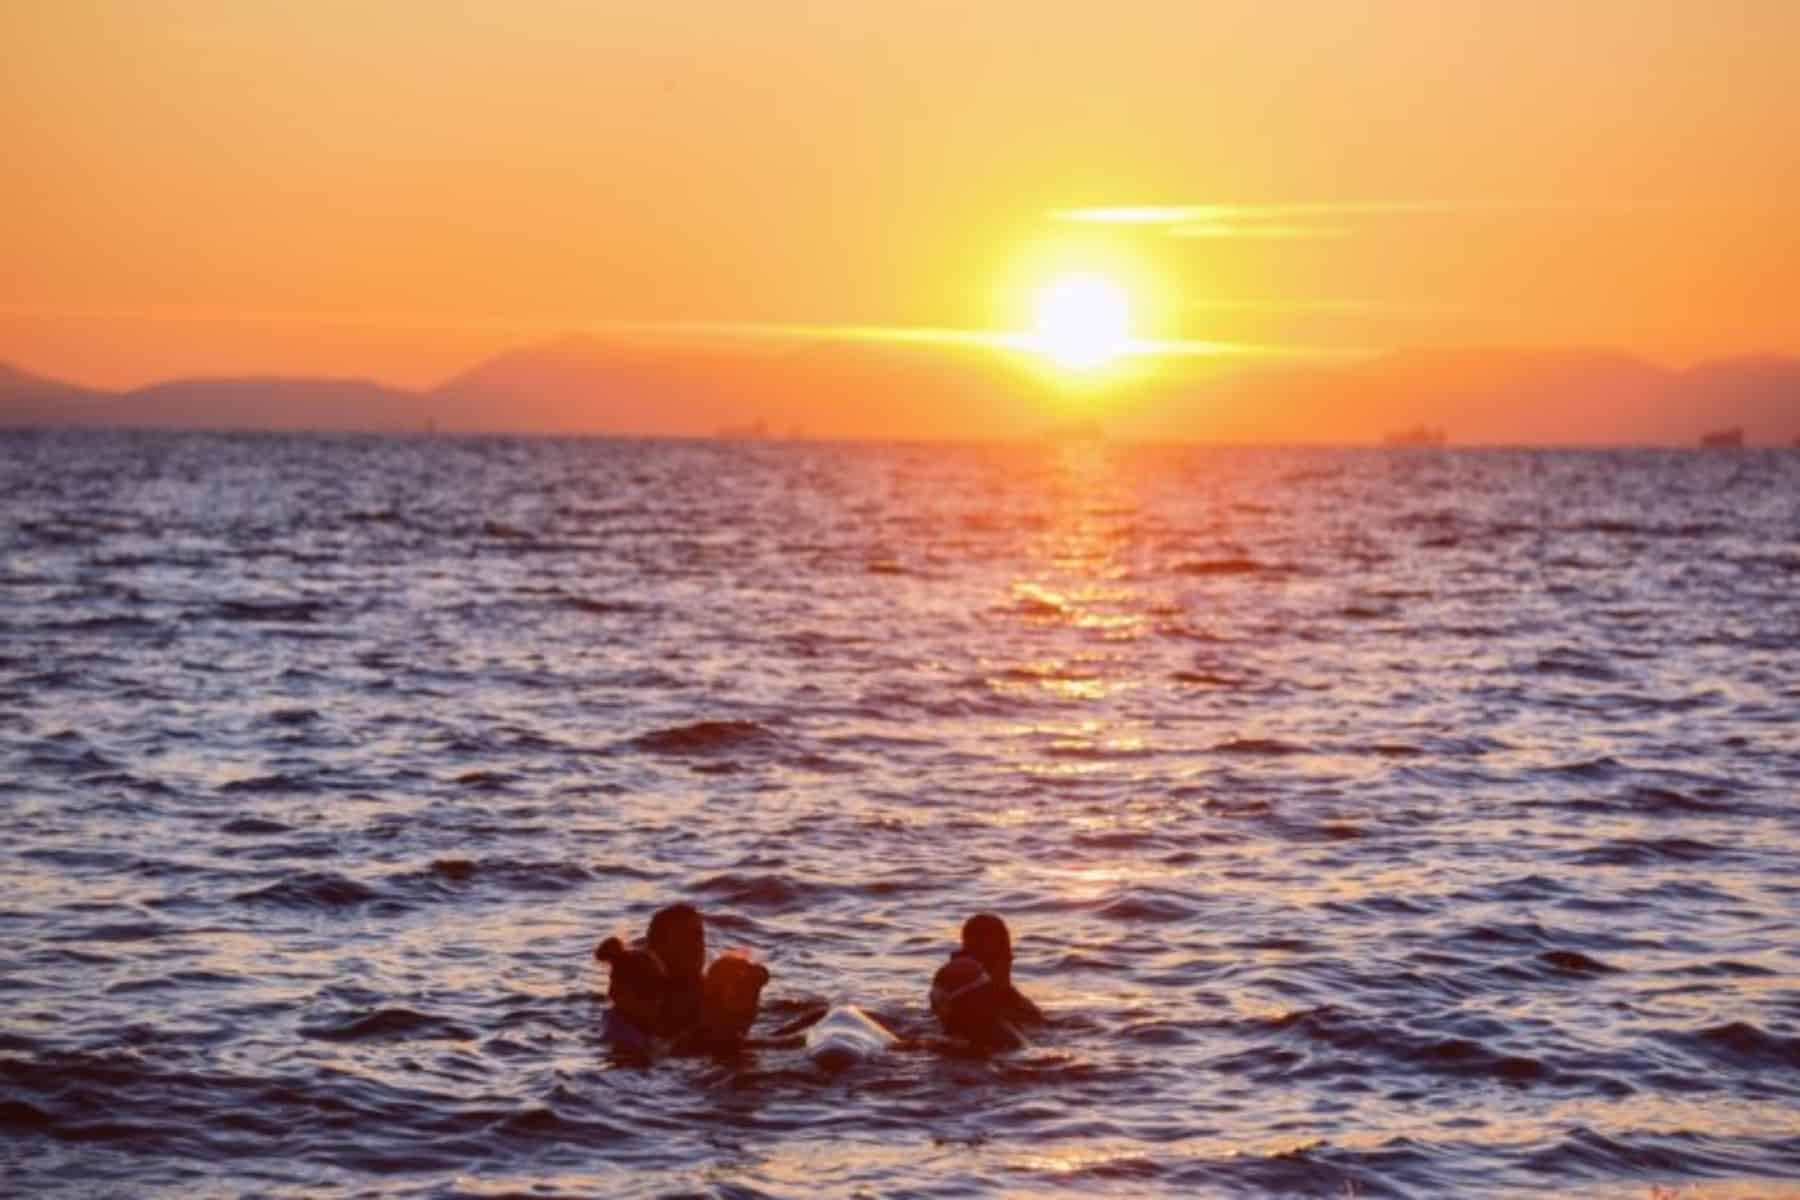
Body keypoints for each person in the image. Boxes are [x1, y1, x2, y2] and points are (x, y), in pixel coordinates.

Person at [929, 913, 1043, 1049]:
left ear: (1007, 961)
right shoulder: (955, 999)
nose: (975, 968)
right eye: (967, 959)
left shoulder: (1026, 1015)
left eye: (986, 962)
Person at [594, 935, 670, 1051]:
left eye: (658, 996)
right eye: (650, 996)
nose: (657, 1004)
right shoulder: (626, 1039)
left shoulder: (616, 1020)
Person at [644, 902, 707, 1036]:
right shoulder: (643, 999)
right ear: (656, 946)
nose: (696, 945)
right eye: (684, 937)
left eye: (698, 936)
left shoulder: (714, 991)